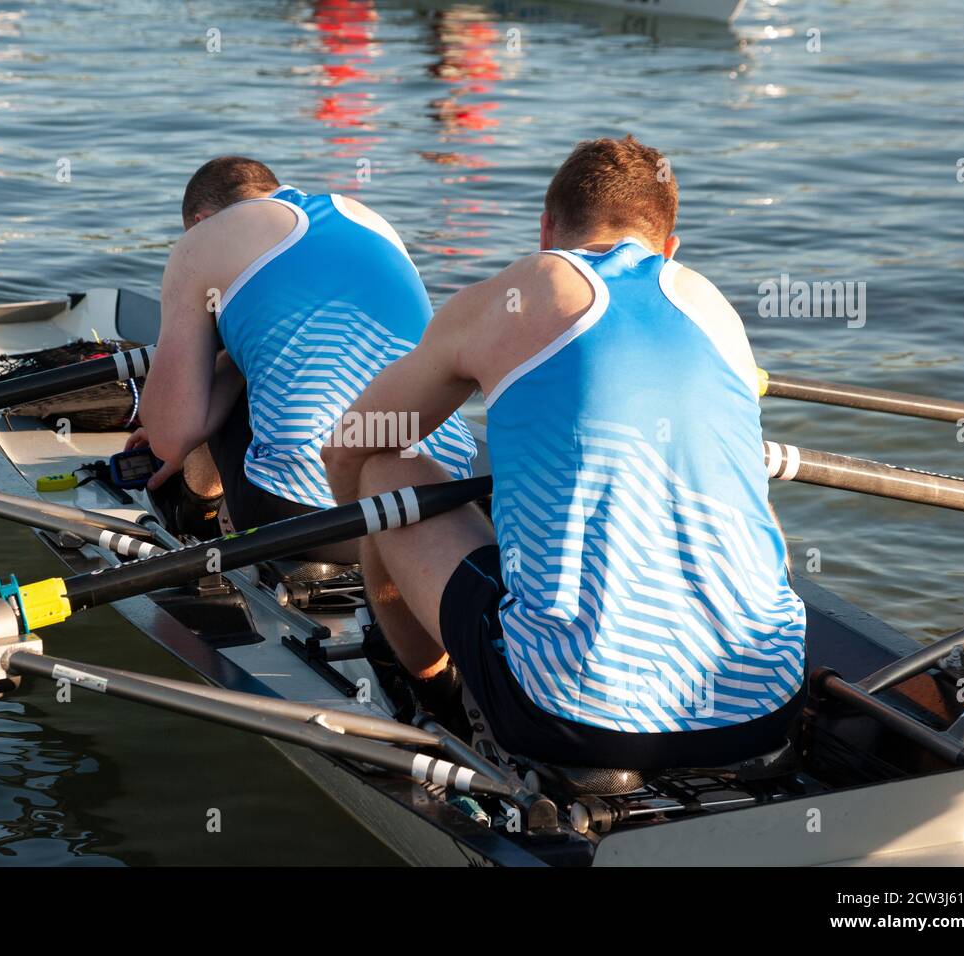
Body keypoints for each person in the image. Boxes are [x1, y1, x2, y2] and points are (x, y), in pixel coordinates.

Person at [322, 135, 807, 770]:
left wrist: (371, 543)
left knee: (386, 468)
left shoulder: (524, 287)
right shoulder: (713, 307)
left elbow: (352, 444)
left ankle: (435, 701)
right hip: (770, 712)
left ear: (546, 229)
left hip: (565, 717)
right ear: (668, 249)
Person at [126, 156, 477, 566]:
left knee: (209, 367)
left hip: (309, 522)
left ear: (201, 219)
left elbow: (169, 435)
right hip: (445, 496)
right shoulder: (367, 217)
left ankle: (198, 509)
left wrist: (208, 377)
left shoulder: (202, 241)